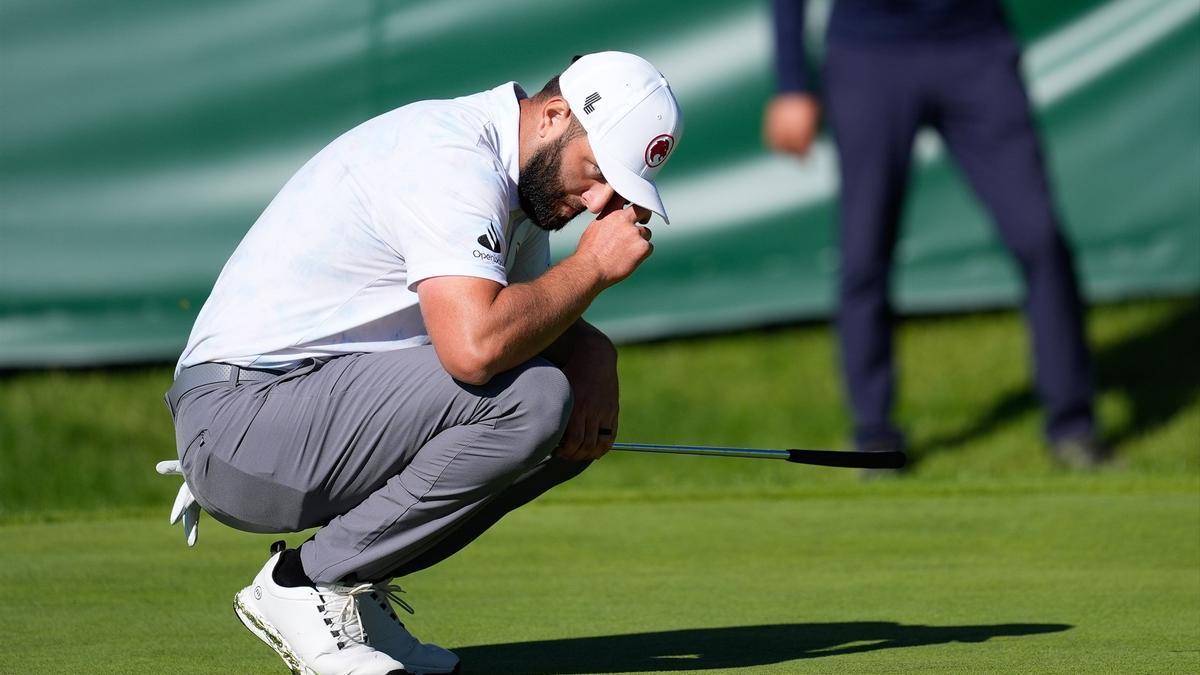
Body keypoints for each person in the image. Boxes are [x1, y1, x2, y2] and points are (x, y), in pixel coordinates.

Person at [159, 51, 683, 675]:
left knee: (565, 406)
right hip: (244, 423)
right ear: (554, 115)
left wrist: (594, 351)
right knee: (535, 398)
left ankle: (350, 581)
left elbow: (522, 324)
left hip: (297, 419)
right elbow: (476, 347)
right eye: (595, 171)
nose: (598, 202)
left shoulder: (517, 188)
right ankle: (306, 582)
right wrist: (592, 268)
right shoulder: (453, 160)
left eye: (617, 191)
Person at [763, 0, 1107, 468]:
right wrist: (791, 83)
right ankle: (874, 438)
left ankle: (1073, 428)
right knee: (864, 251)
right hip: (868, 54)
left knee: (1039, 236)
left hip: (977, 48)